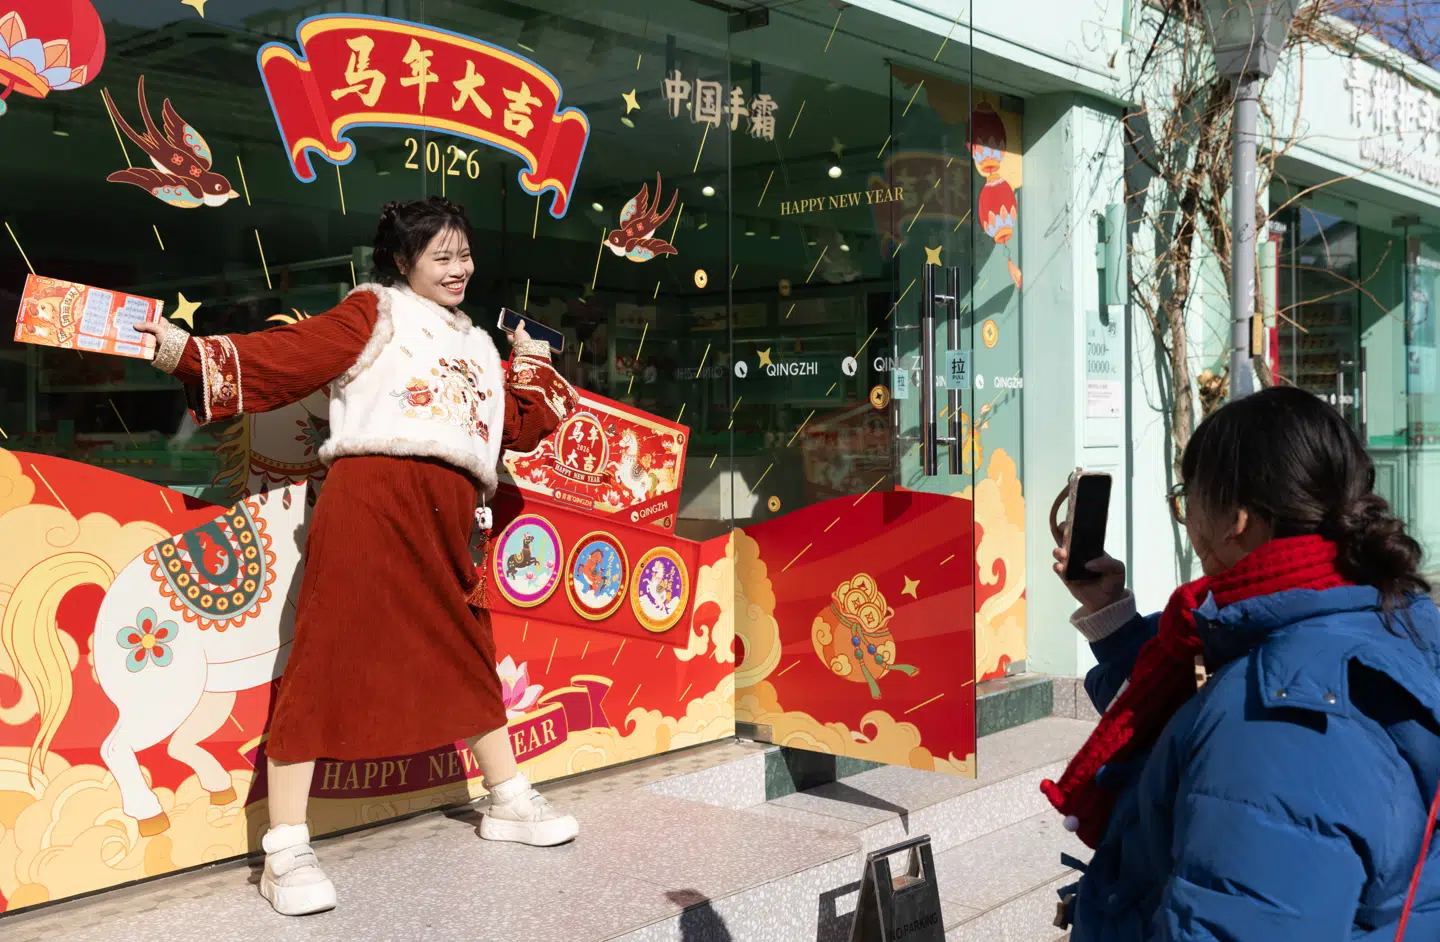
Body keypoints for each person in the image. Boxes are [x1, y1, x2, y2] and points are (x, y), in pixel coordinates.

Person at [137, 196, 581, 918]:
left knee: (469, 650)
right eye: (441, 256)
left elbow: (517, 427)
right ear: (402, 261)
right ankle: (286, 846)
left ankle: (507, 798)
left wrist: (530, 361)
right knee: (327, 655)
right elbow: (287, 357)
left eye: (465, 255)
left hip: (450, 519)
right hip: (371, 504)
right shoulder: (374, 311)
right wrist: (182, 351)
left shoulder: (477, 344)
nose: (459, 269)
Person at [1047, 385, 1440, 939]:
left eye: (1187, 497)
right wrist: (1111, 615)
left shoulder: (1279, 718)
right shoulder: (1380, 613)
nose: (1186, 518)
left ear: (1236, 518)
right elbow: (1187, 705)